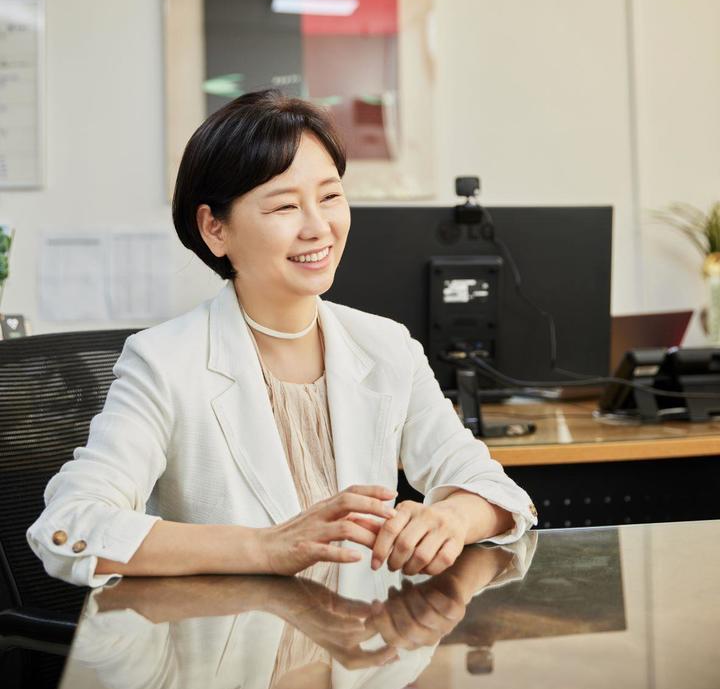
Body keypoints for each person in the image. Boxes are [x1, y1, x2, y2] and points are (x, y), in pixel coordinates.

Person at [27, 89, 537, 588]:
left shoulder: (386, 346)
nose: (318, 227)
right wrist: (265, 547)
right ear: (215, 229)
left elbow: (497, 492)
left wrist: (451, 519)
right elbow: (69, 526)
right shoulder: (164, 361)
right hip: (228, 638)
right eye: (284, 207)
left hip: (357, 636)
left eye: (330, 196)